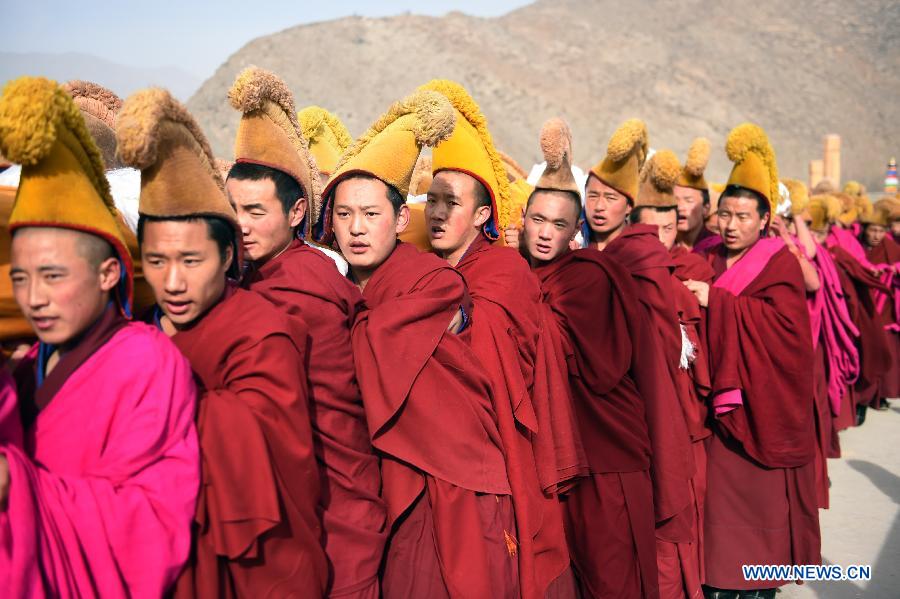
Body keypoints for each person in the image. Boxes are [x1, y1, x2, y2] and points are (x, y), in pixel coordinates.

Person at [116, 86, 328, 597]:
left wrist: (155, 402)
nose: (173, 283)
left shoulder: (262, 331)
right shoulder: (138, 332)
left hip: (258, 564)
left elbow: (274, 457)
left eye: (192, 262)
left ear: (229, 258)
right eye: (157, 262)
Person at [0, 76, 199, 597]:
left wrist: (15, 487)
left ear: (110, 273)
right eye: (20, 278)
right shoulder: (26, 367)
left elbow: (151, 519)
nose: (34, 298)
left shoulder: (149, 363)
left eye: (54, 276)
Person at [319, 88, 518, 598]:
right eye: (344, 215)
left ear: (401, 220)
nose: (356, 229)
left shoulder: (431, 282)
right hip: (375, 480)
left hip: (447, 479)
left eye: (370, 214)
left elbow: (369, 348)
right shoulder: (336, 285)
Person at [227, 66, 386, 598]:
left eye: (255, 211)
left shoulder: (302, 288)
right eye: (231, 210)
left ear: (298, 212)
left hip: (333, 500)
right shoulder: (257, 276)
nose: (241, 225)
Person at [422, 99, 581, 598]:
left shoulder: (503, 269)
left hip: (494, 453)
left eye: (453, 202)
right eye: (433, 201)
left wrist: (453, 319)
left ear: (483, 214)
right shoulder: (422, 265)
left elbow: (491, 340)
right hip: (434, 452)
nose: (440, 213)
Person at [684, 123, 821, 599]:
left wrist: (717, 303)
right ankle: (721, 578)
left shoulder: (777, 262)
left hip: (758, 399)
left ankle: (761, 582)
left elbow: (789, 335)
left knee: (759, 502)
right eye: (725, 214)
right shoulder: (709, 256)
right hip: (720, 401)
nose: (731, 224)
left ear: (764, 220)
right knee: (721, 501)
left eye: (743, 215)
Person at [674, 138, 717, 251]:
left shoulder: (716, 247)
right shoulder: (663, 242)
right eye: (675, 200)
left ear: (705, 208)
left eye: (688, 200)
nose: (679, 207)